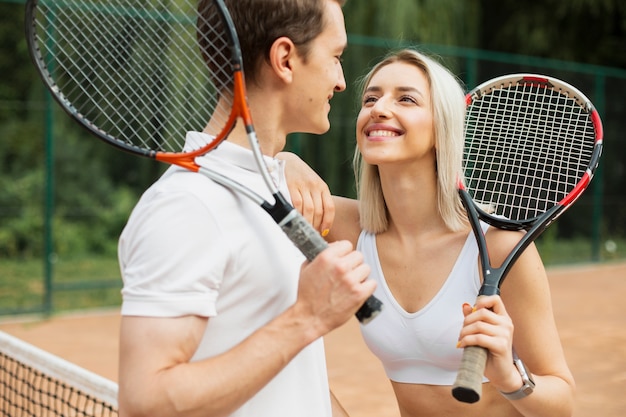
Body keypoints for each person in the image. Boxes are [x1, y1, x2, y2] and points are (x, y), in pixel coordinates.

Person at [116, 1, 376, 417]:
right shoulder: (187, 206)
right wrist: (307, 318)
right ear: (286, 59)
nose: (342, 81)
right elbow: (145, 400)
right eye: (336, 57)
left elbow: (282, 378)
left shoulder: (274, 183)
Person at [282, 48, 575, 417]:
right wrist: (283, 161)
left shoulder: (497, 246)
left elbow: (563, 402)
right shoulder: (346, 227)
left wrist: (512, 378)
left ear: (443, 129)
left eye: (406, 98)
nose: (379, 108)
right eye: (370, 98)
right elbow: (251, 183)